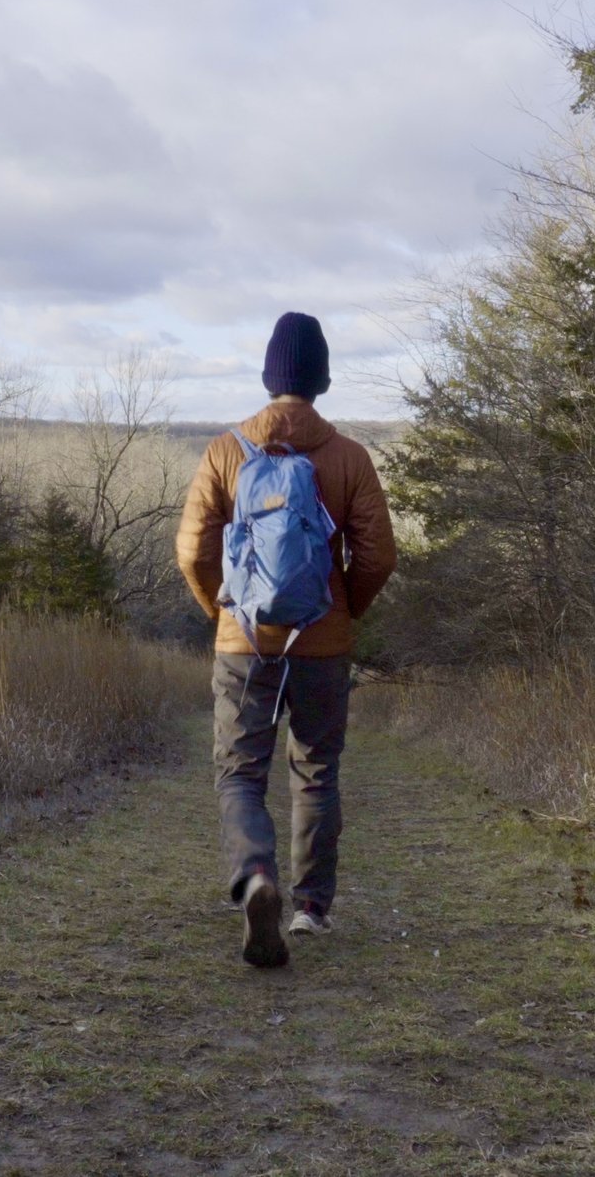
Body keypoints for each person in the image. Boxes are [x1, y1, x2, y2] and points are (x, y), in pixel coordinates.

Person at [175, 311, 396, 968]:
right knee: (317, 771)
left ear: (270, 376)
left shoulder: (225, 451)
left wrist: (221, 610)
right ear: (322, 380)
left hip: (245, 642)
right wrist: (344, 610)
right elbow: (378, 555)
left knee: (240, 773)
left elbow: (191, 550)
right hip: (321, 645)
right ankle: (309, 909)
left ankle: (255, 876)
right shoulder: (351, 458)